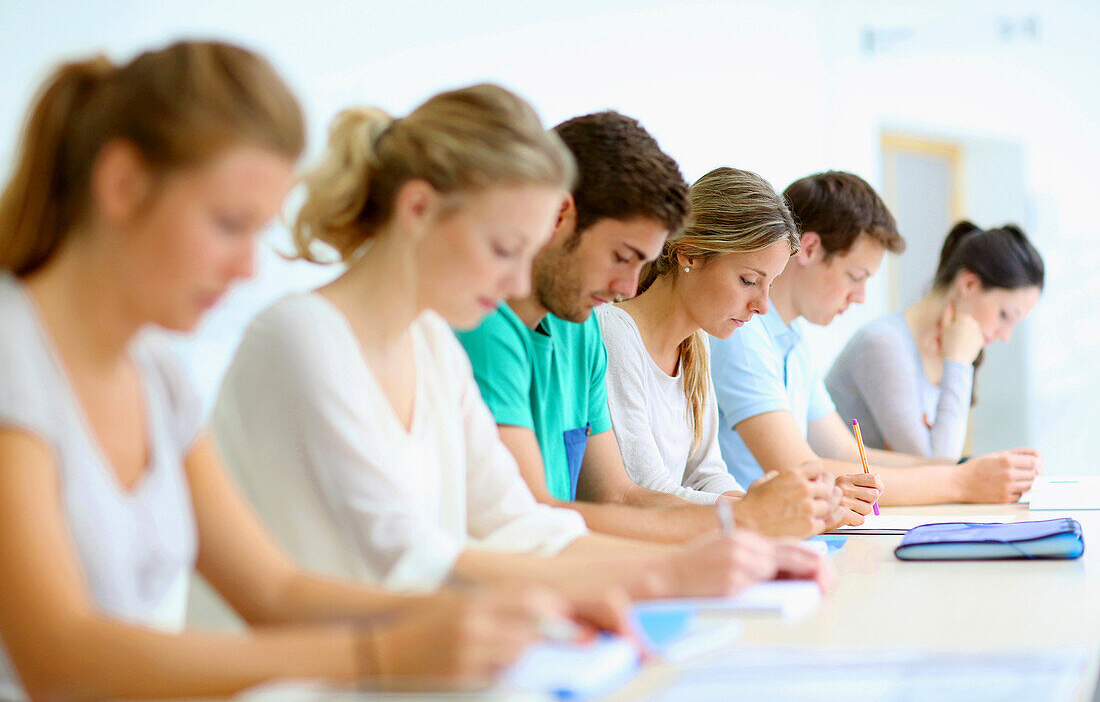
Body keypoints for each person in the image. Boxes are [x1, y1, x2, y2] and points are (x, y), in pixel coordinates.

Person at [0, 42, 618, 701]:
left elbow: (274, 589)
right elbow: (62, 659)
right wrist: (380, 651)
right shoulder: (15, 355)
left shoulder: (156, 373)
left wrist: (530, 612)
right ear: (122, 183)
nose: (246, 270)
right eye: (229, 224)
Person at [212, 86, 794, 606]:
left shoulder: (432, 346)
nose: (518, 284)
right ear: (417, 209)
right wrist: (669, 571)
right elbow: (405, 560)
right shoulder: (301, 337)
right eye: (503, 248)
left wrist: (707, 558)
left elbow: (518, 524)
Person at [456, 112, 842, 542]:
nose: (624, 287)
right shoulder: (503, 327)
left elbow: (618, 493)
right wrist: (743, 520)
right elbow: (539, 518)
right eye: (622, 256)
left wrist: (752, 520)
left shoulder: (581, 329)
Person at [710, 171, 1042, 506]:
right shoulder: (742, 331)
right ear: (809, 248)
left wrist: (965, 468)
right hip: (753, 532)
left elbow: (845, 451)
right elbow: (799, 470)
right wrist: (962, 481)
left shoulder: (793, 340)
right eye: (855, 276)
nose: (860, 297)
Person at [599, 167, 876, 535]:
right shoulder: (614, 333)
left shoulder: (697, 343)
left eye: (770, 286)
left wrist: (782, 510)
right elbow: (643, 488)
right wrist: (761, 511)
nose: (762, 306)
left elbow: (706, 473)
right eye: (748, 281)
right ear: (690, 255)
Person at [825, 221, 1044, 457]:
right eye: (1005, 315)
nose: (1005, 335)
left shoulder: (947, 351)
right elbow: (938, 464)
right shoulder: (882, 344)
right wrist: (959, 363)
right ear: (969, 284)